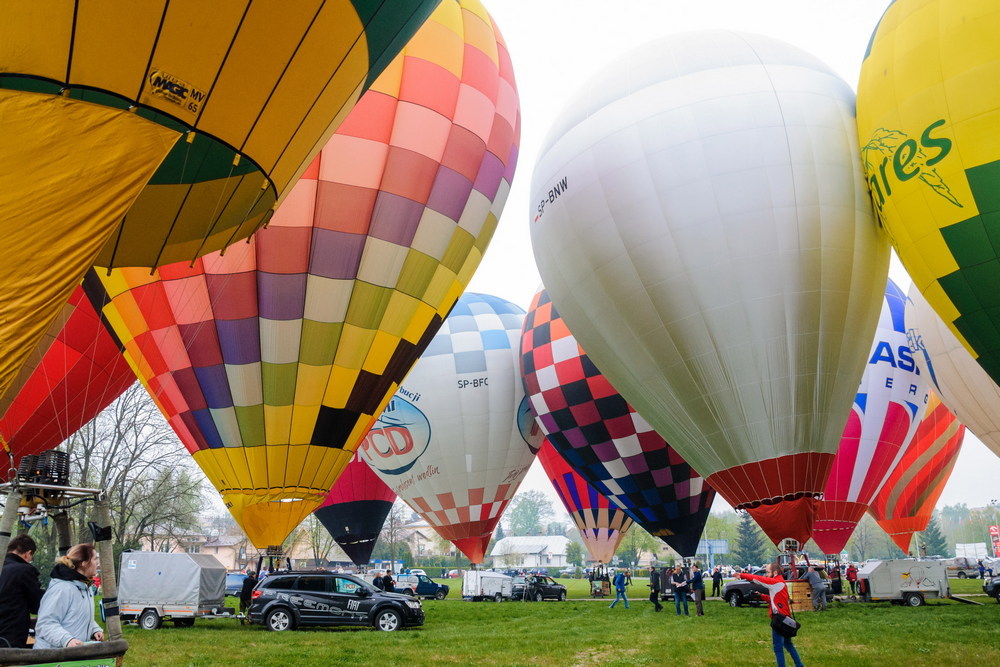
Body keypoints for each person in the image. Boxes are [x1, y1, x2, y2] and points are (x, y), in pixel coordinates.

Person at [34, 543, 104, 649]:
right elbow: (45, 623)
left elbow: (77, 615)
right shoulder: (62, 588)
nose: (97, 563)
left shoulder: (86, 586)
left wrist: (94, 629)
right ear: (84, 563)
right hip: (52, 655)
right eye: (95, 559)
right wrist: (67, 640)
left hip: (74, 653)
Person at [739, 562, 804, 667]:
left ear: (775, 572)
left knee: (778, 648)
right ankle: (799, 665)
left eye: (768, 572)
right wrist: (761, 596)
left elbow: (759, 579)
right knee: (788, 645)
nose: (766, 574)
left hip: (779, 620)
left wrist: (741, 575)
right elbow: (774, 599)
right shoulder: (781, 583)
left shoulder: (775, 583)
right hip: (786, 619)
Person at [0, 534, 43, 649]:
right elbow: (36, 605)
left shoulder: (3, 566)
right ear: (28, 553)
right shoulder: (24, 570)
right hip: (11, 634)